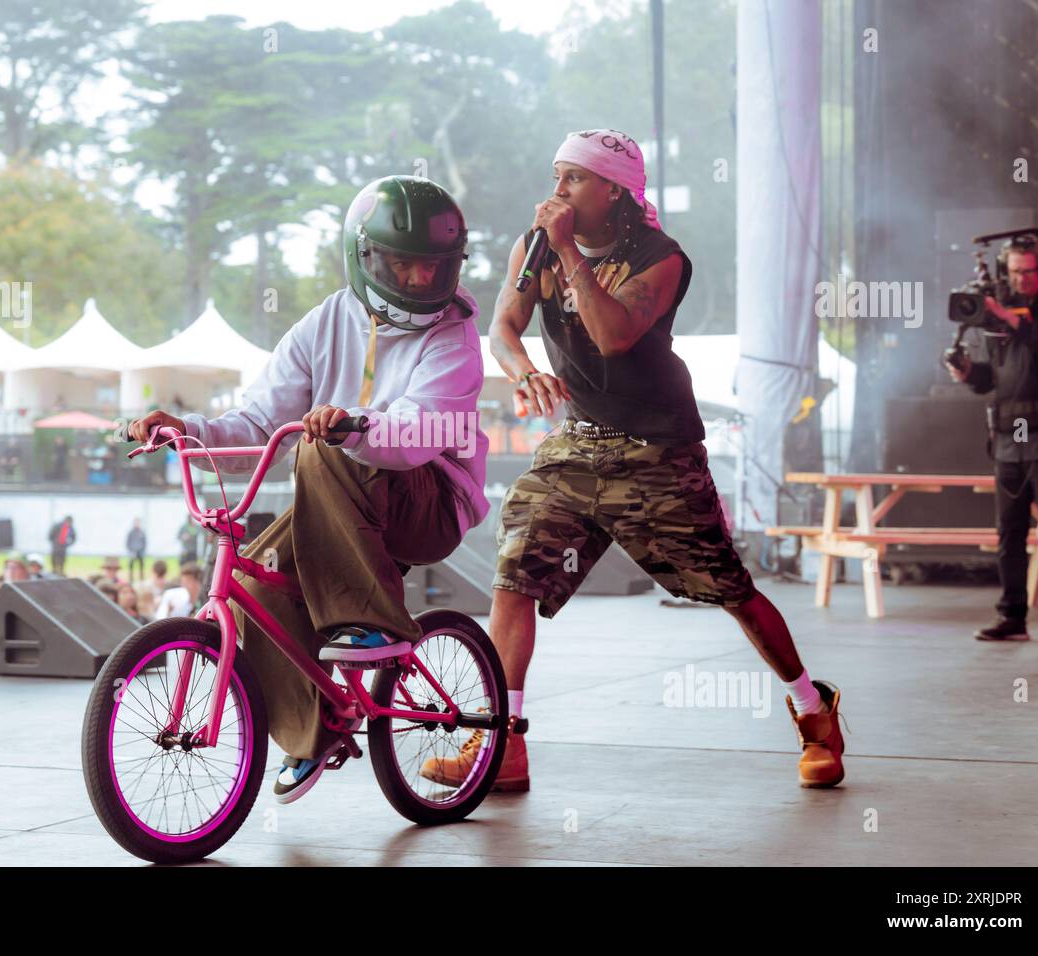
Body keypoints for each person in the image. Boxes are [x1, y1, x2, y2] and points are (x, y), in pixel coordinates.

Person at [434, 128, 846, 794]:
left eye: (572, 179)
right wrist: (524, 372)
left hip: (659, 446)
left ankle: (811, 708)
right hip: (580, 440)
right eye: (555, 176)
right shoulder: (531, 247)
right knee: (514, 574)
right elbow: (503, 328)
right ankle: (501, 746)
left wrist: (566, 249)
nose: (556, 192)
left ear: (614, 191)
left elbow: (612, 336)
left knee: (730, 591)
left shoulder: (662, 258)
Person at [129, 174, 488, 805]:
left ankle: (370, 621)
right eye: (399, 266)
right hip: (345, 496)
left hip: (429, 499)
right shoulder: (325, 322)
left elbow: (417, 433)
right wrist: (189, 430)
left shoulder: (453, 336)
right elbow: (259, 423)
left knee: (321, 444)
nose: (414, 282)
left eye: (430, 270)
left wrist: (352, 426)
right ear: (362, 256)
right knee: (255, 580)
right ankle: (313, 732)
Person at [947, 234, 1038, 646]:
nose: (1021, 279)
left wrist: (1006, 314)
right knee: (1009, 532)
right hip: (1007, 441)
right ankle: (1012, 615)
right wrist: (968, 373)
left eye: (1028, 272)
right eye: (1015, 272)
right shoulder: (998, 318)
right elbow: (995, 380)